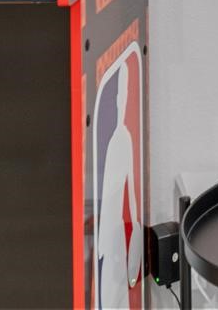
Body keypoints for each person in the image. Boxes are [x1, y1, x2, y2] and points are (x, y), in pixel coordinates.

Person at [97, 69, 142, 309]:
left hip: (114, 241)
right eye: (120, 94)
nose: (122, 101)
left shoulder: (123, 139)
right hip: (105, 238)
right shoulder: (115, 141)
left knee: (116, 299)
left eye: (125, 93)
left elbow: (133, 196)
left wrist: (136, 239)